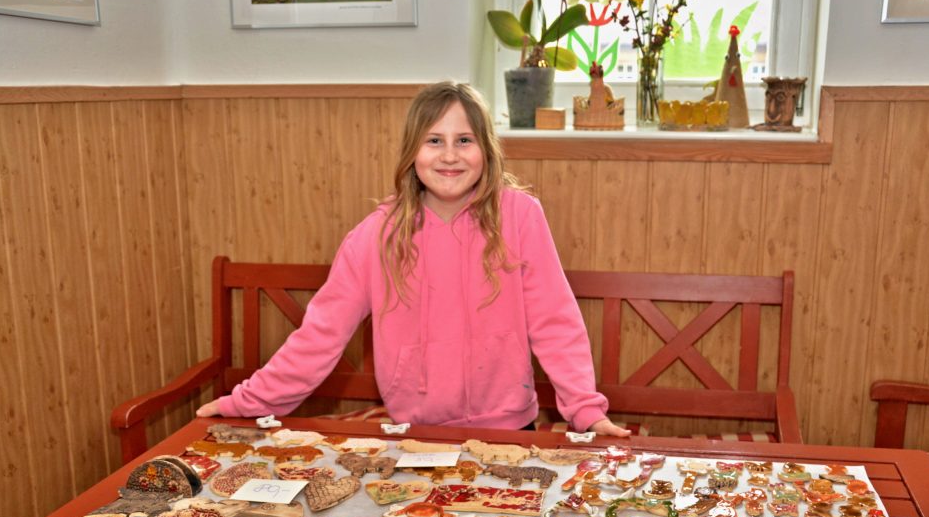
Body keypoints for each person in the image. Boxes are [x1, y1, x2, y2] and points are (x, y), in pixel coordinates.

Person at [197, 81, 630, 437]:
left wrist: (586, 410)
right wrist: (249, 401)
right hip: (415, 434)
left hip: (510, 428)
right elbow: (320, 336)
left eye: (464, 140)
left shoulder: (520, 216)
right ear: (412, 151)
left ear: (486, 149)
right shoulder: (376, 236)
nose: (449, 155)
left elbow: (555, 321)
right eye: (434, 141)